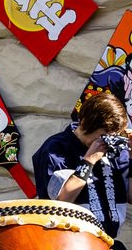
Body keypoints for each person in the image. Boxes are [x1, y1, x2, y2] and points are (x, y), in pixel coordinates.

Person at [32, 90, 131, 236]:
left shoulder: (114, 149)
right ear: (85, 123)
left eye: (113, 136)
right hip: (68, 239)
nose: (107, 141)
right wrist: (89, 160)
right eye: (102, 135)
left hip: (107, 242)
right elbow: (61, 201)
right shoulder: (56, 148)